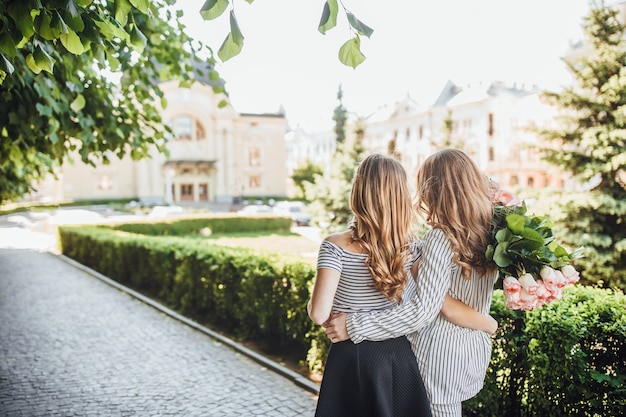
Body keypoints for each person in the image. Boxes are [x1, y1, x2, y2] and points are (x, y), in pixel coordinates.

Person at [308, 153, 496, 417]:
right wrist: (487, 322)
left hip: (358, 355)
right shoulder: (412, 247)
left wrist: (338, 309)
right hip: (402, 354)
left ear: (357, 192)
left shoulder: (334, 246)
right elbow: (440, 300)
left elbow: (318, 313)